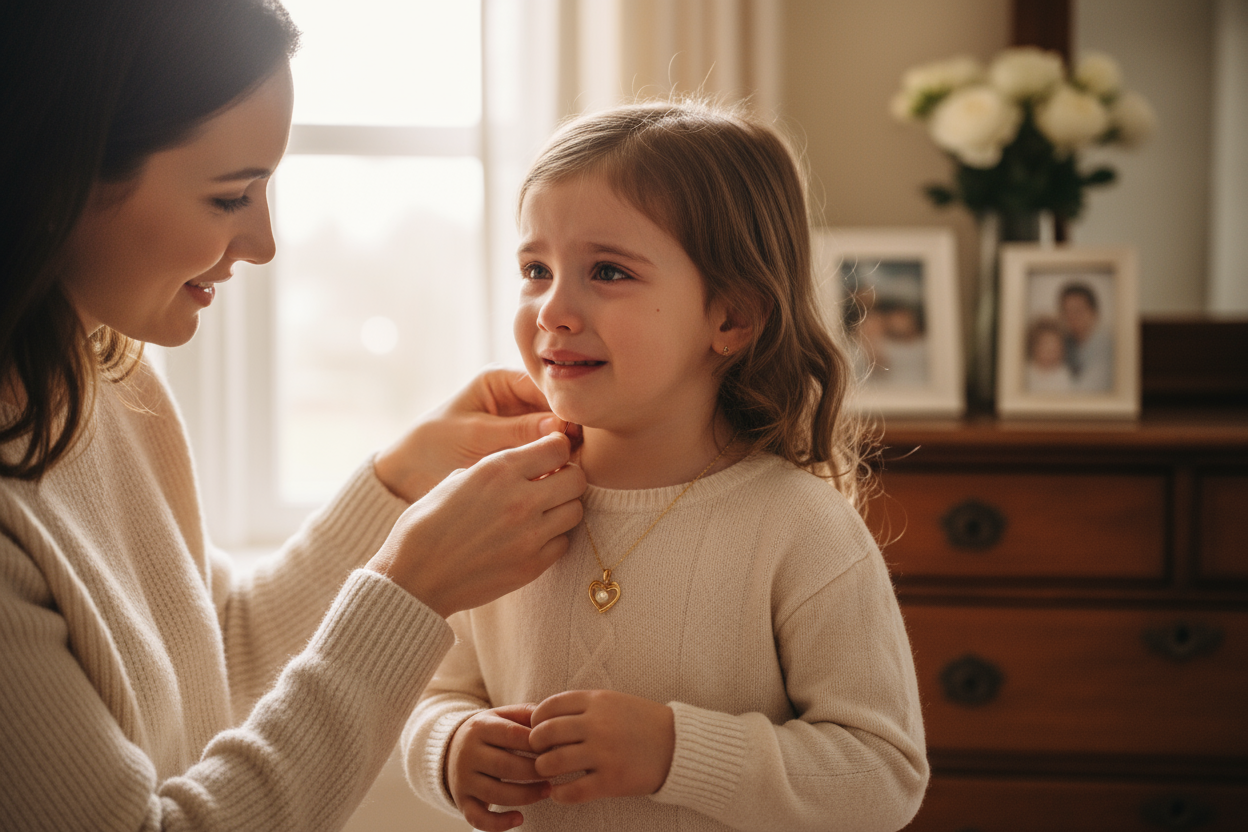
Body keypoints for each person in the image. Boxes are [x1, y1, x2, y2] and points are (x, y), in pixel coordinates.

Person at [0, 2, 585, 830]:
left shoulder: (105, 374)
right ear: (58, 177)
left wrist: (399, 483)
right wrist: (410, 589)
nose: (264, 242)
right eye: (229, 197)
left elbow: (215, 657)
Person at [403, 102, 929, 832]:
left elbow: (883, 777)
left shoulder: (801, 526)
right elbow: (431, 694)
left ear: (731, 319)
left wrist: (674, 752)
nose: (552, 308)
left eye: (607, 271)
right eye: (535, 270)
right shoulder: (500, 503)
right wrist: (449, 744)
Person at [1058, 282, 1113, 393]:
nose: (1071, 317)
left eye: (1077, 311)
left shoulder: (1106, 345)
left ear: (1094, 313)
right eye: (1066, 311)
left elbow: (1088, 390)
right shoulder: (1064, 342)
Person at [1026, 316, 1074, 393]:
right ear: (1033, 347)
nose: (1050, 353)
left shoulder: (1065, 375)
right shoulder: (1026, 372)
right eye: (1045, 347)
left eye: (1055, 349)